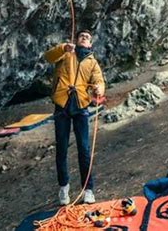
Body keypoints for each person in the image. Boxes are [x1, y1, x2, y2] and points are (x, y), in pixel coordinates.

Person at [44, 30, 105, 205]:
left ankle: (88, 190)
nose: (84, 38)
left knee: (84, 150)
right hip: (62, 105)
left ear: (90, 44)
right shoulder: (65, 53)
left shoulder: (92, 63)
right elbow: (48, 57)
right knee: (61, 148)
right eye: (81, 36)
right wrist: (63, 47)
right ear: (76, 40)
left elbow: (99, 80)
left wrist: (99, 89)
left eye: (87, 38)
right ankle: (64, 188)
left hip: (81, 107)